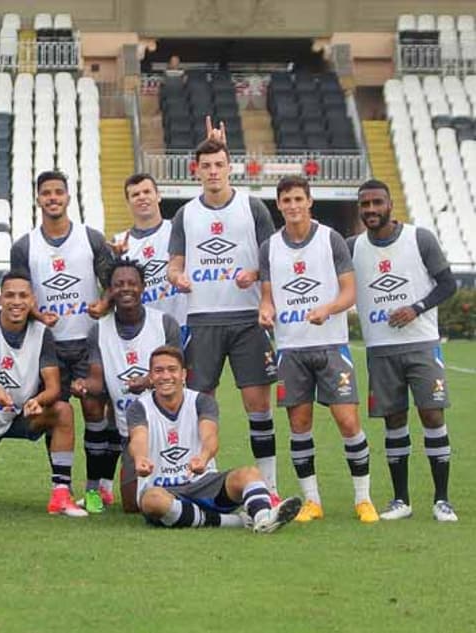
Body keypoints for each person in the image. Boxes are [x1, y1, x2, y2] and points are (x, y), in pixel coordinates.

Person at [259, 176, 378, 523]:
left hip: (330, 346)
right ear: (278, 205)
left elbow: (349, 292)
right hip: (291, 349)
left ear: (309, 201)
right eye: (286, 200)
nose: (293, 206)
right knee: (299, 424)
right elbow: (267, 296)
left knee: (348, 420)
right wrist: (265, 311)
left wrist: (327, 309)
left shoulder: (331, 239)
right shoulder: (270, 247)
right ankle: (312, 501)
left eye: (299, 199)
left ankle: (363, 498)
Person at [166, 138, 280, 500]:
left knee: (258, 406)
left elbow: (273, 258)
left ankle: (269, 486)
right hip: (202, 320)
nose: (213, 171)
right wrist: (176, 277)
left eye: (219, 164)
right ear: (196, 170)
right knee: (201, 403)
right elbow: (174, 263)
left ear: (229, 167)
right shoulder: (186, 214)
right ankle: (203, 478)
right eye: (206, 165)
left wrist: (256, 275)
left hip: (248, 319)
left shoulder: (253, 207)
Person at [350, 179, 458, 522]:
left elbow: (448, 284)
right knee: (393, 420)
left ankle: (442, 500)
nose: (370, 210)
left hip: (421, 344)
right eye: (364, 204)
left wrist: (417, 307)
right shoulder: (353, 247)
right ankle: (401, 501)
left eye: (376, 203)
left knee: (431, 415)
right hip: (380, 348)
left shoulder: (419, 238)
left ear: (390, 204)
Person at [10, 170, 113, 515]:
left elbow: (113, 282)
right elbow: (20, 295)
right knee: (56, 414)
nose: (53, 198)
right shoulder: (25, 246)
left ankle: (95, 490)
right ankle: (61, 489)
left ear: (69, 197)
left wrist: (103, 303)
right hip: (47, 346)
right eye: (46, 193)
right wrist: (38, 316)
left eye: (58, 192)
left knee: (95, 413)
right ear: (38, 199)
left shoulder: (91, 238)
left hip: (87, 342)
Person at [0, 271, 86, 516]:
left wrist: (38, 400)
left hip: (20, 415)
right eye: (10, 295)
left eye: (23, 296)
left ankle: (61, 493)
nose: (16, 301)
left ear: (32, 300)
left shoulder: (42, 333)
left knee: (63, 411)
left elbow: (53, 387)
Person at [128, 346, 301, 532]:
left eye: (172, 370)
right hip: (162, 490)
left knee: (249, 474)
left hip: (204, 484)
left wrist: (203, 457)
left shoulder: (201, 401)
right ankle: (230, 522)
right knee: (152, 501)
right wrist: (140, 459)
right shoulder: (139, 407)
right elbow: (138, 437)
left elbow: (209, 434)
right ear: (151, 377)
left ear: (183, 374)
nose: (166, 376)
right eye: (159, 371)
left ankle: (264, 518)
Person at [70, 259, 181, 513]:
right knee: (133, 506)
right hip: (128, 428)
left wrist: (149, 380)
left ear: (143, 286)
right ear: (110, 290)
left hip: (165, 424)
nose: (126, 289)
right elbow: (97, 381)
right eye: (118, 284)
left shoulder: (165, 324)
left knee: (161, 498)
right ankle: (94, 489)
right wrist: (82, 385)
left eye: (132, 283)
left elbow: (178, 375)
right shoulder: (98, 331)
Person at [111, 173, 187, 325]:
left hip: (183, 324)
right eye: (135, 194)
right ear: (128, 202)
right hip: (144, 330)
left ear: (158, 196)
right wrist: (115, 260)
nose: (141, 197)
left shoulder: (178, 229)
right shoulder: (119, 243)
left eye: (147, 192)